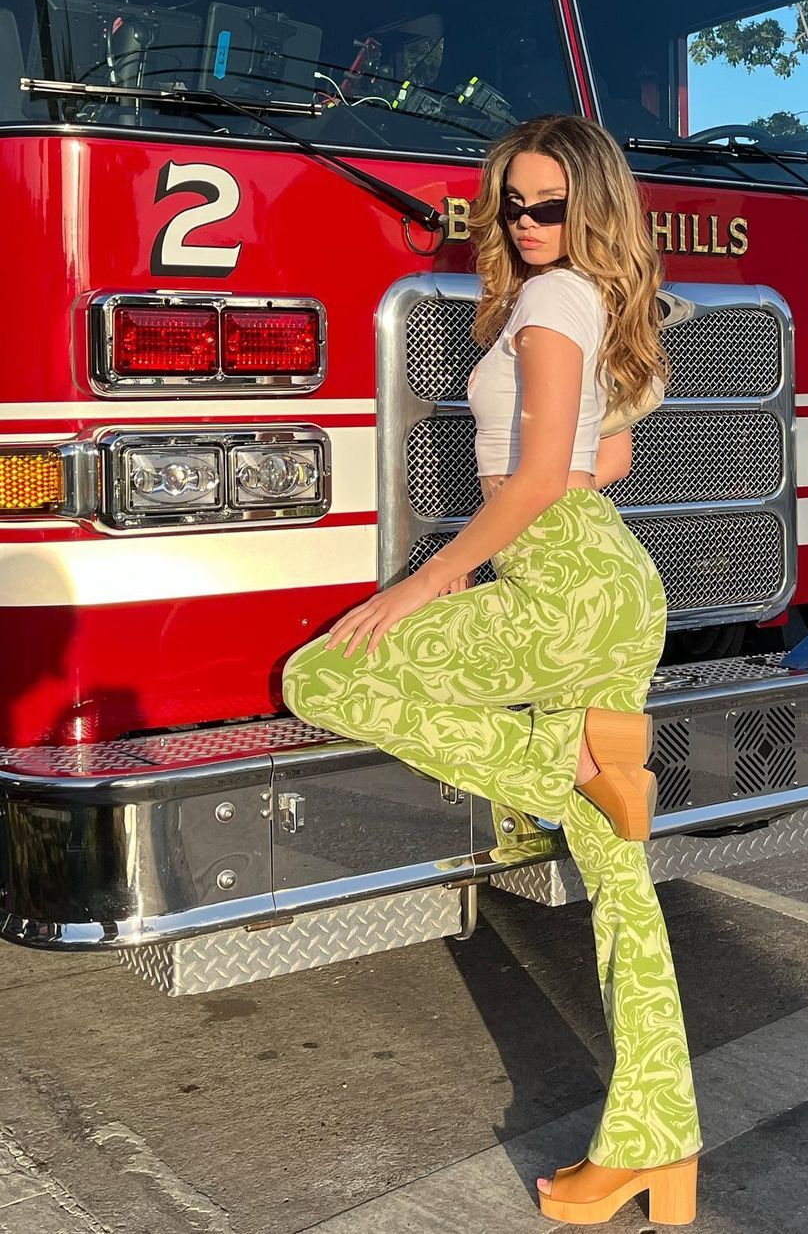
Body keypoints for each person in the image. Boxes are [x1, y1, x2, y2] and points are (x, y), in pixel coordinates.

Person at [281, 112, 702, 1226]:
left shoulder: (555, 300)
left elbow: (537, 476)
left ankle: (570, 762)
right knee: (621, 883)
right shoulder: (599, 301)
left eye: (548, 205)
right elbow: (607, 458)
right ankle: (657, 1144)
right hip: (613, 583)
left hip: (559, 579)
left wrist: (431, 578)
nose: (524, 222)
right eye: (510, 205)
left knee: (327, 680)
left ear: (591, 206)